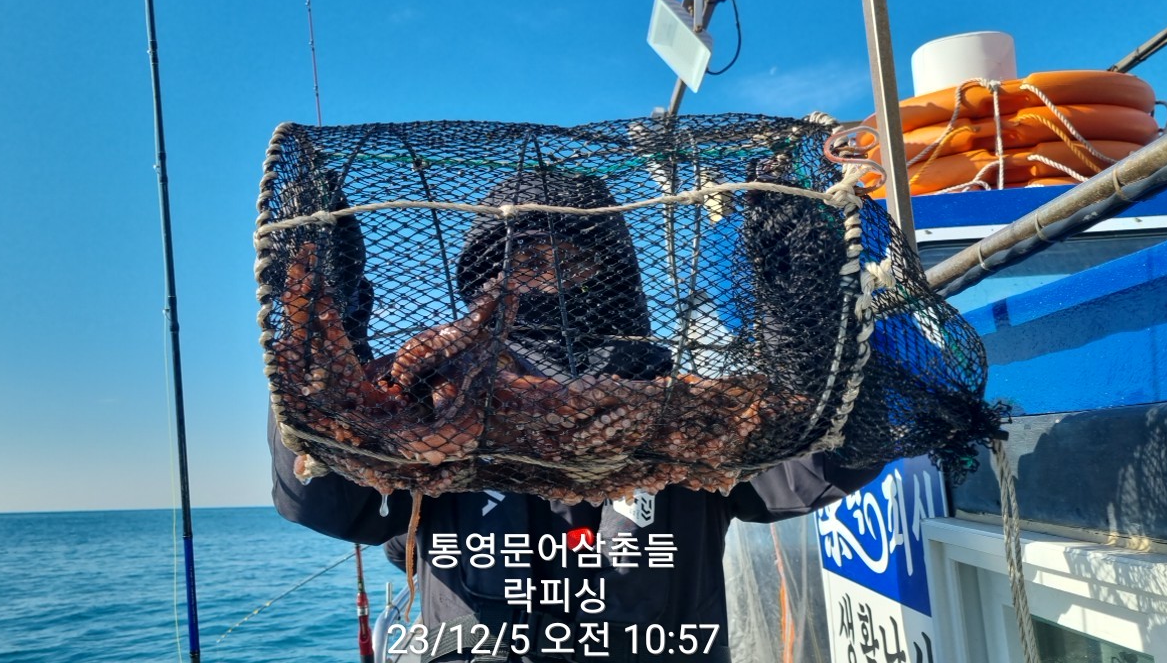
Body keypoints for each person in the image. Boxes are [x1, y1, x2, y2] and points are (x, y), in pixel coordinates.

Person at [270, 169, 885, 662]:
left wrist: (803, 318)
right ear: (482, 286)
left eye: (566, 261)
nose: (541, 283)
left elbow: (819, 463)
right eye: (517, 266)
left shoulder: (686, 411)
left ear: (608, 276)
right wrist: (327, 327)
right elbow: (322, 498)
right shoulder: (429, 407)